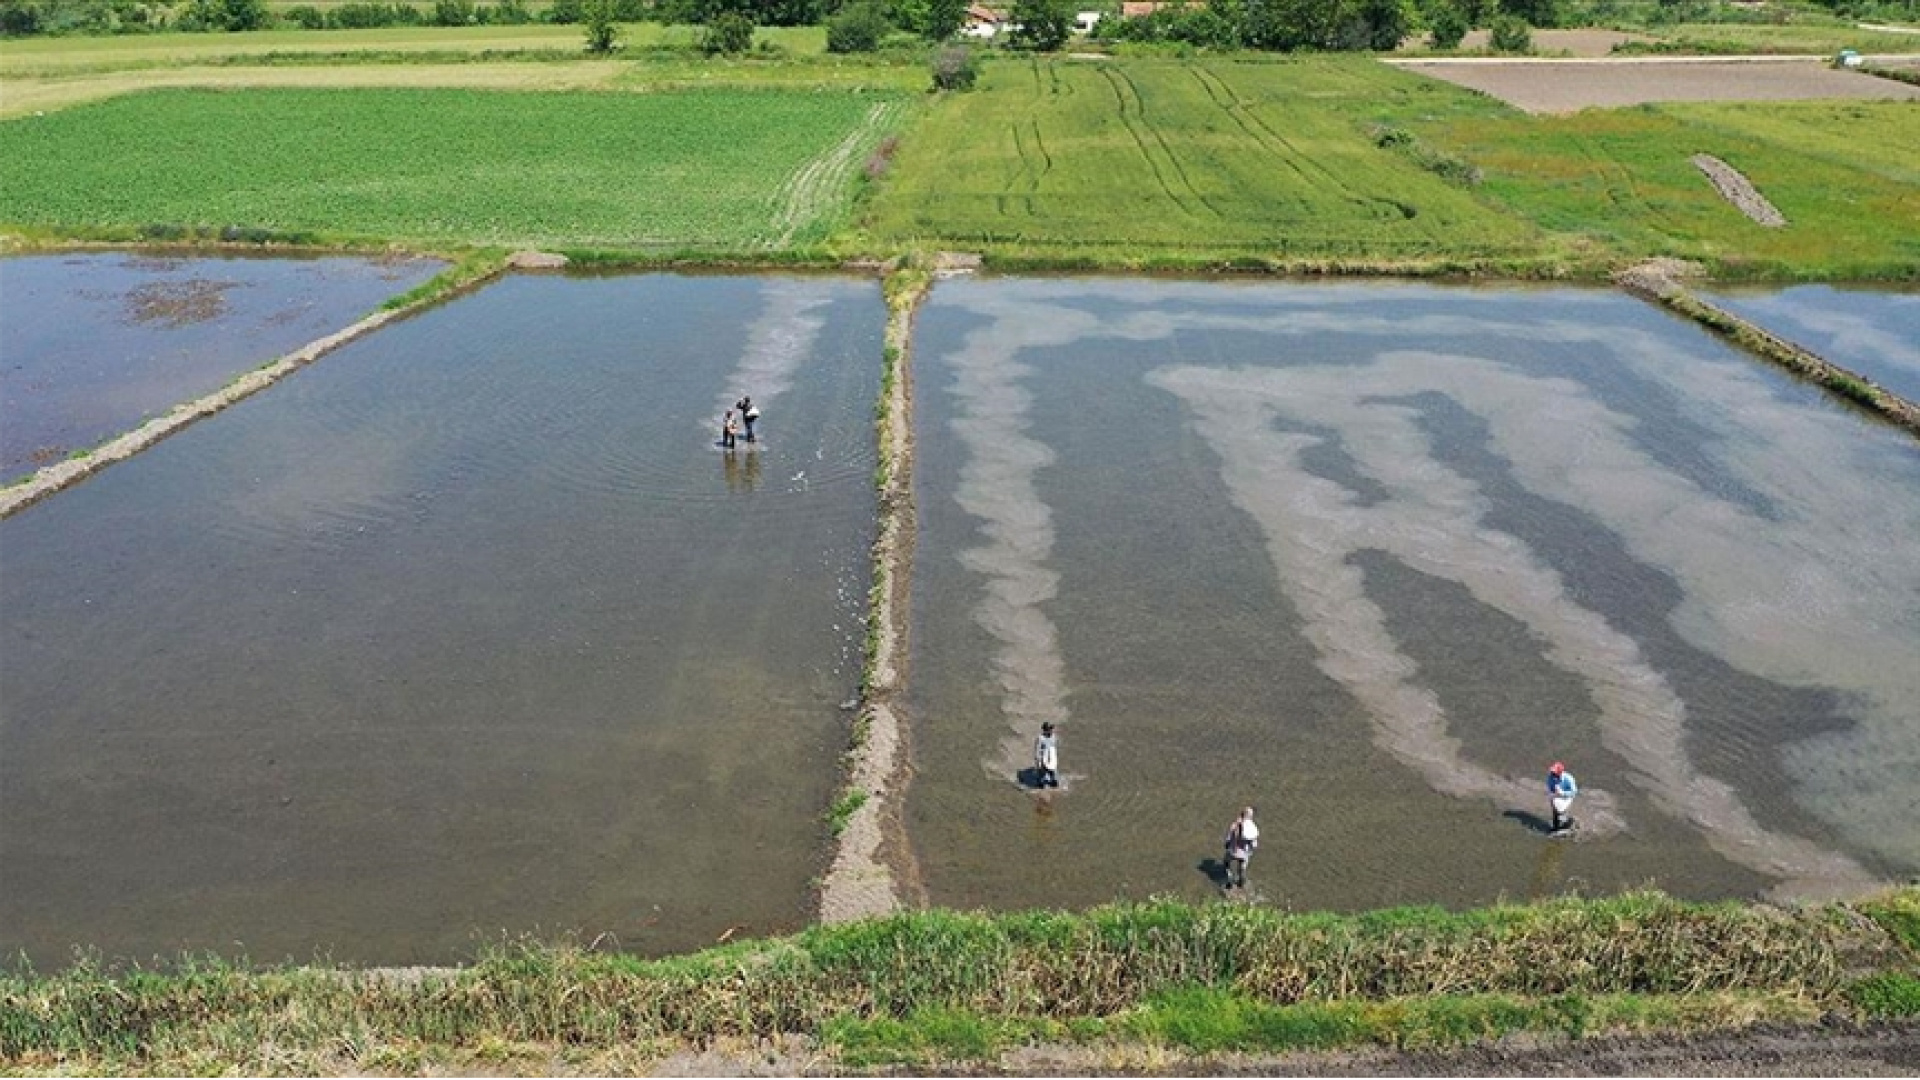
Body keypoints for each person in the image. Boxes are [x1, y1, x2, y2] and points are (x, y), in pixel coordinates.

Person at [1223, 807, 1259, 889]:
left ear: (1242, 814)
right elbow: (1254, 845)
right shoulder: (1251, 829)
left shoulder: (1234, 825)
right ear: (1251, 817)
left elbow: (1228, 840)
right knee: (1242, 870)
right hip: (1244, 854)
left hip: (1232, 852)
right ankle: (1241, 883)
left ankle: (1229, 879)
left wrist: (1227, 845)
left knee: (1226, 864)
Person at [1548, 761, 1578, 834]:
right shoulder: (1550, 778)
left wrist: (1563, 793)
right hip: (1557, 795)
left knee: (1561, 813)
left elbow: (1574, 792)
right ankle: (1555, 828)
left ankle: (1570, 822)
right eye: (1552, 772)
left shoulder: (1569, 778)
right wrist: (1553, 796)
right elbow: (1551, 789)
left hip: (1567, 797)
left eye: (1554, 772)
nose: (1552, 774)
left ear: (1560, 773)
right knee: (1555, 812)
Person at [1033, 721, 1059, 789]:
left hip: (1051, 759)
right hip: (1043, 760)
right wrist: (1038, 762)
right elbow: (1037, 751)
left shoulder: (1053, 736)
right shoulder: (1040, 738)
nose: (1052, 730)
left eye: (1052, 728)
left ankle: (1053, 783)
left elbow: (1054, 747)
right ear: (1045, 730)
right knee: (1041, 781)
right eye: (1050, 729)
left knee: (1054, 781)